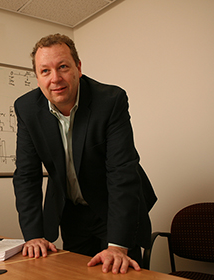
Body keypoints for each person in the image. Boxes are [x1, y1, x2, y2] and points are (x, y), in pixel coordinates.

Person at [13, 34, 157, 274]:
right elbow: (27, 175)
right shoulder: (26, 109)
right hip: (72, 211)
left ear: (78, 68)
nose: (55, 79)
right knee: (76, 274)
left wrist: (119, 246)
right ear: (37, 77)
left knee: (119, 272)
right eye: (45, 71)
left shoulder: (110, 101)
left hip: (116, 208)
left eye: (63, 67)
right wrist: (34, 236)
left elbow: (122, 173)